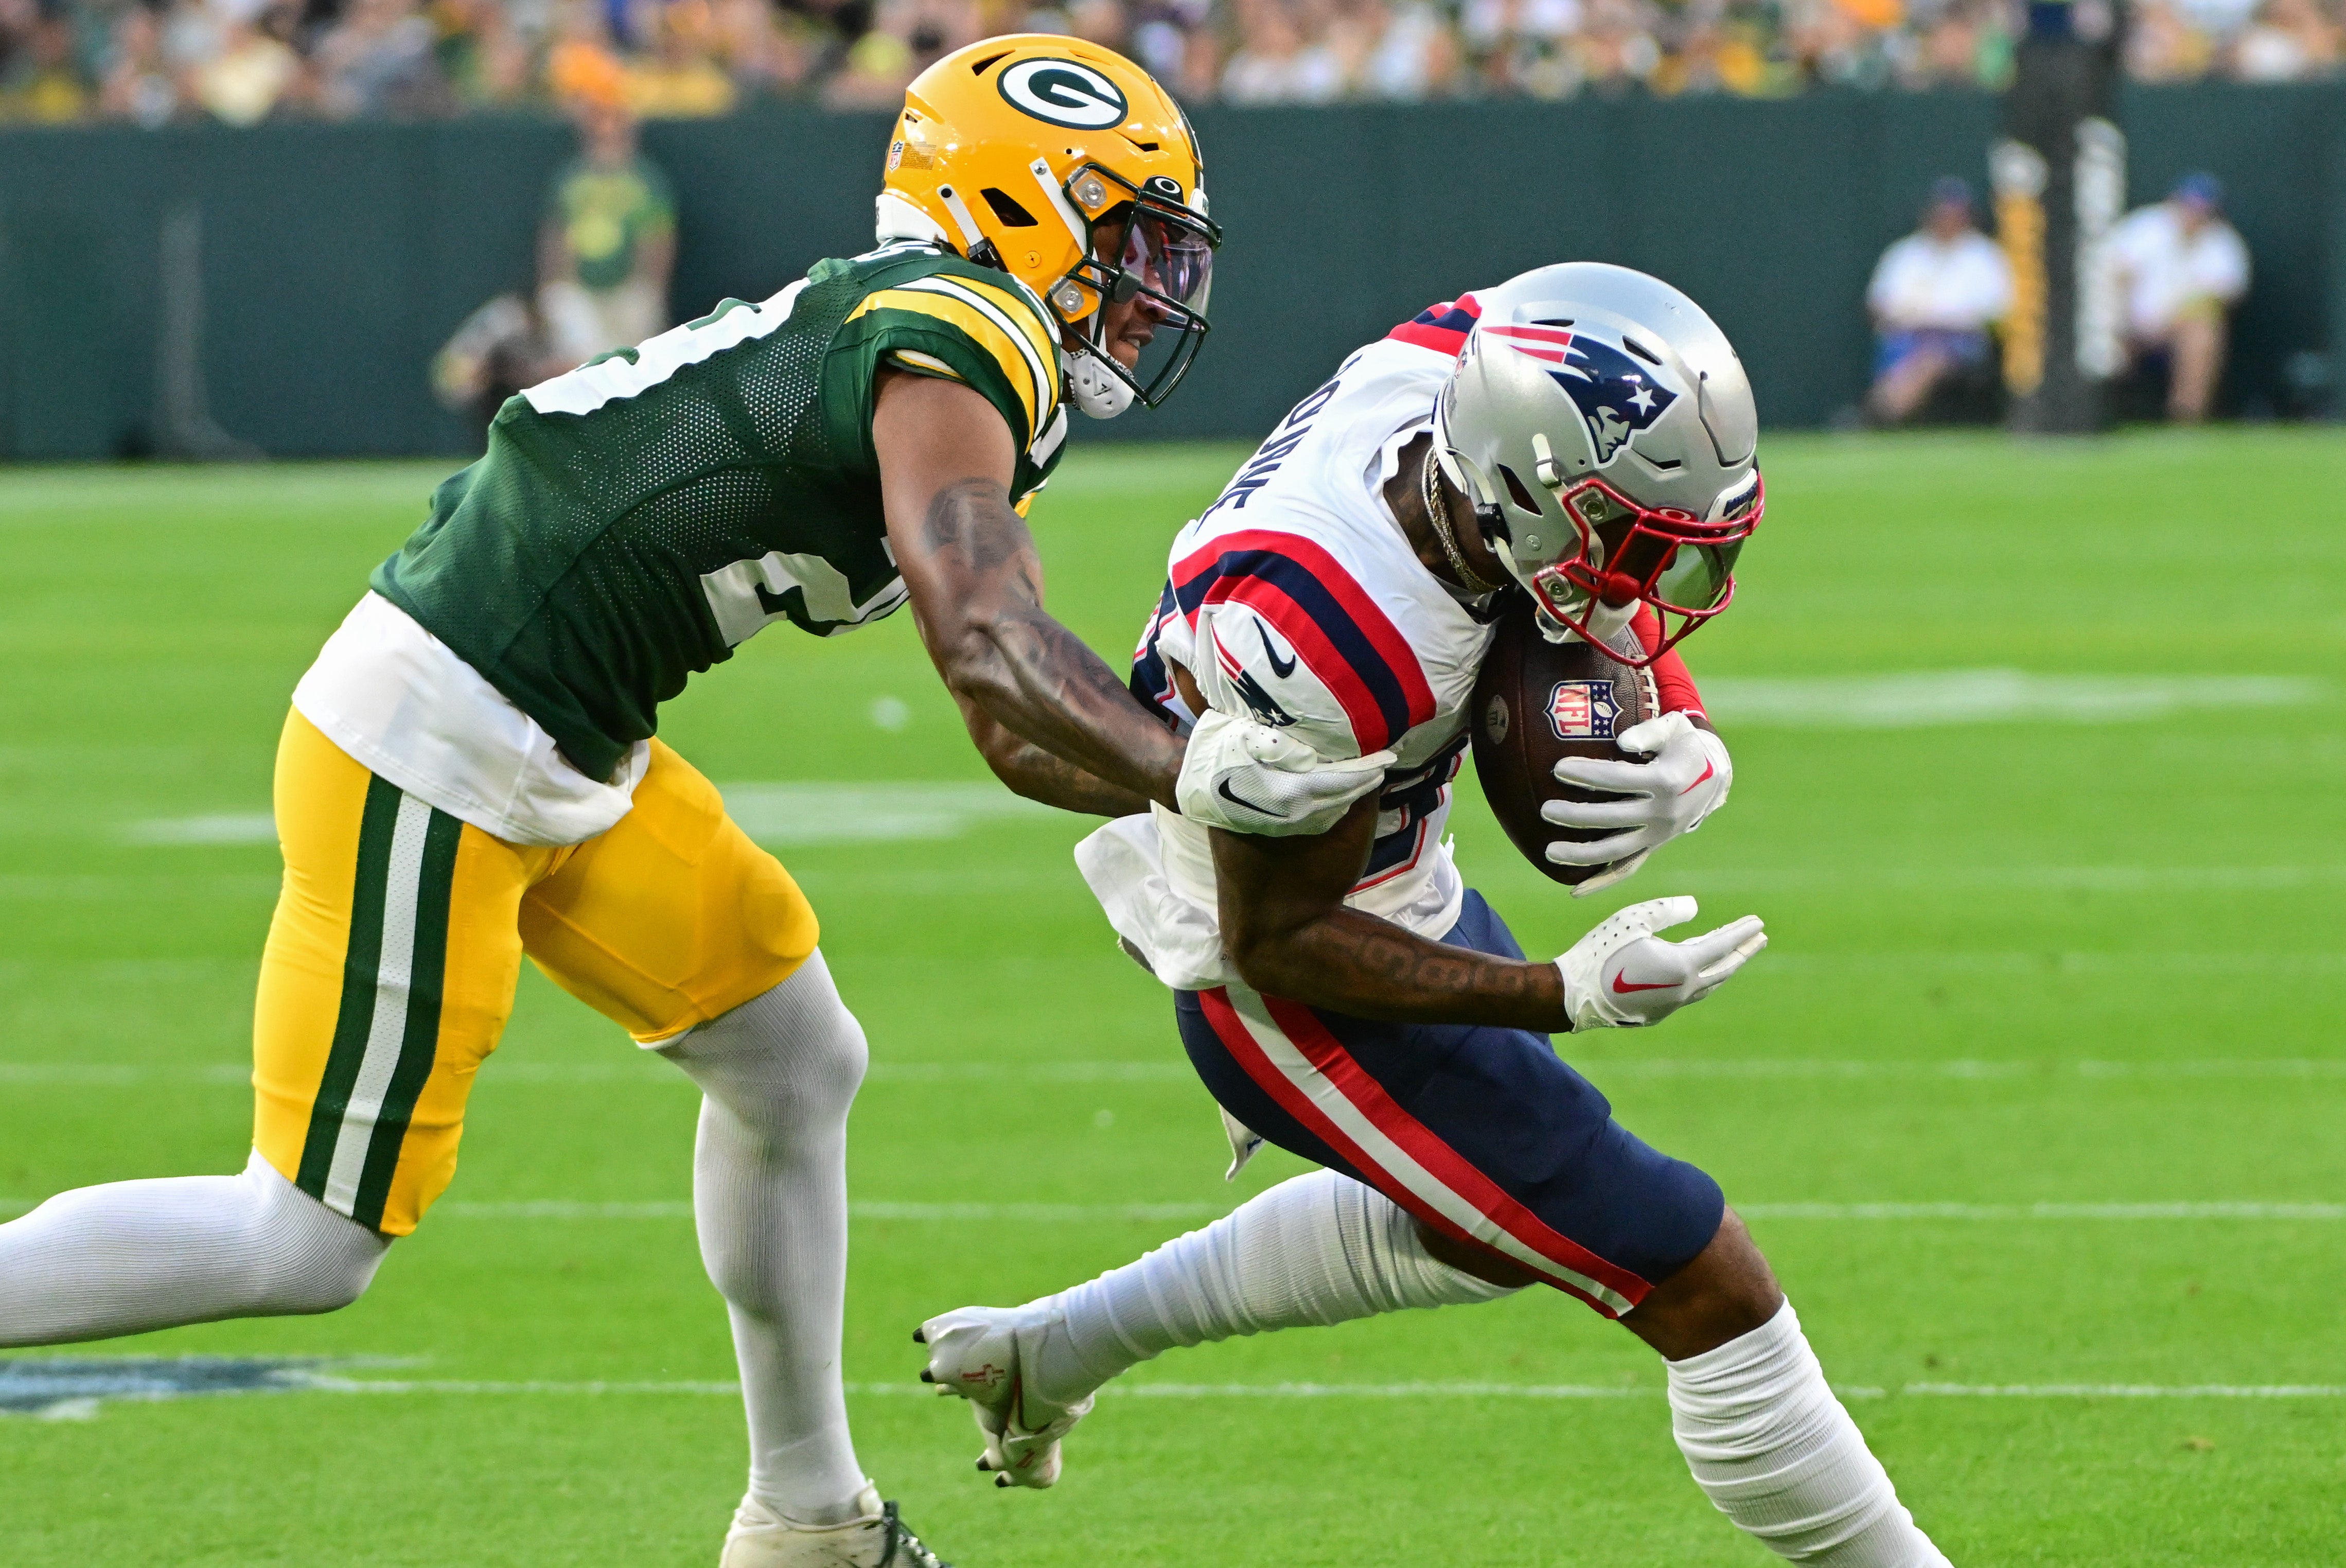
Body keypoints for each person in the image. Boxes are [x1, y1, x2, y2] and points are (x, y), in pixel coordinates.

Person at [0, 36, 1377, 1568]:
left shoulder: (941, 334)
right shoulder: (955, 329)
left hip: (564, 741)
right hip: (442, 734)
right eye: (1122, 235)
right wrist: (1185, 769)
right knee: (304, 1238)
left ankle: (804, 1517)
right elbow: (991, 650)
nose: (1147, 283)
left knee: (792, 1059)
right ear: (1014, 204)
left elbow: (1007, 712)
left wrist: (1176, 795)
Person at [918, 265, 1955, 1567]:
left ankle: (1049, 1349)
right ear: (1520, 491)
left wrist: (1678, 716)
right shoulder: (1336, 625)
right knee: (1694, 1272)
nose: (1656, 577)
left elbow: (1560, 494)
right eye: (1630, 541)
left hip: (1390, 882)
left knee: (1494, 1230)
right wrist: (1560, 994)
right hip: (1294, 992)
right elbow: (1276, 942)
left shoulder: (1466, 376)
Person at [538, 93, 677, 369]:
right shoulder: (571, 177)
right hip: (581, 294)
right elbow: (556, 234)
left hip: (630, 292)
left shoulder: (646, 179)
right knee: (584, 369)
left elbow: (660, 237)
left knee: (632, 370)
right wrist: (555, 282)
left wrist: (652, 288)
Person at [1863, 175, 2012, 425]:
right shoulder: (1905, 253)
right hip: (1907, 336)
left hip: (1963, 340)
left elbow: (1997, 311)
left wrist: (1944, 320)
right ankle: (1884, 411)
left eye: (1955, 212)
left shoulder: (1984, 255)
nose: (1948, 219)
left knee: (1932, 357)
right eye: (1943, 212)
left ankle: (1880, 415)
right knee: (1906, 353)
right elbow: (1879, 304)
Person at [2108, 171, 2250, 422]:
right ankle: (2101, 416)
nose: (2192, 216)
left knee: (2203, 332)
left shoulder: (2222, 243)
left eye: (2201, 210)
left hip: (2174, 330)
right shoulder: (2144, 227)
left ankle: (2185, 418)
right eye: (2188, 207)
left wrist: (2164, 325)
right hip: (2123, 322)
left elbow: (2216, 300)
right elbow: (2113, 277)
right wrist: (2123, 322)